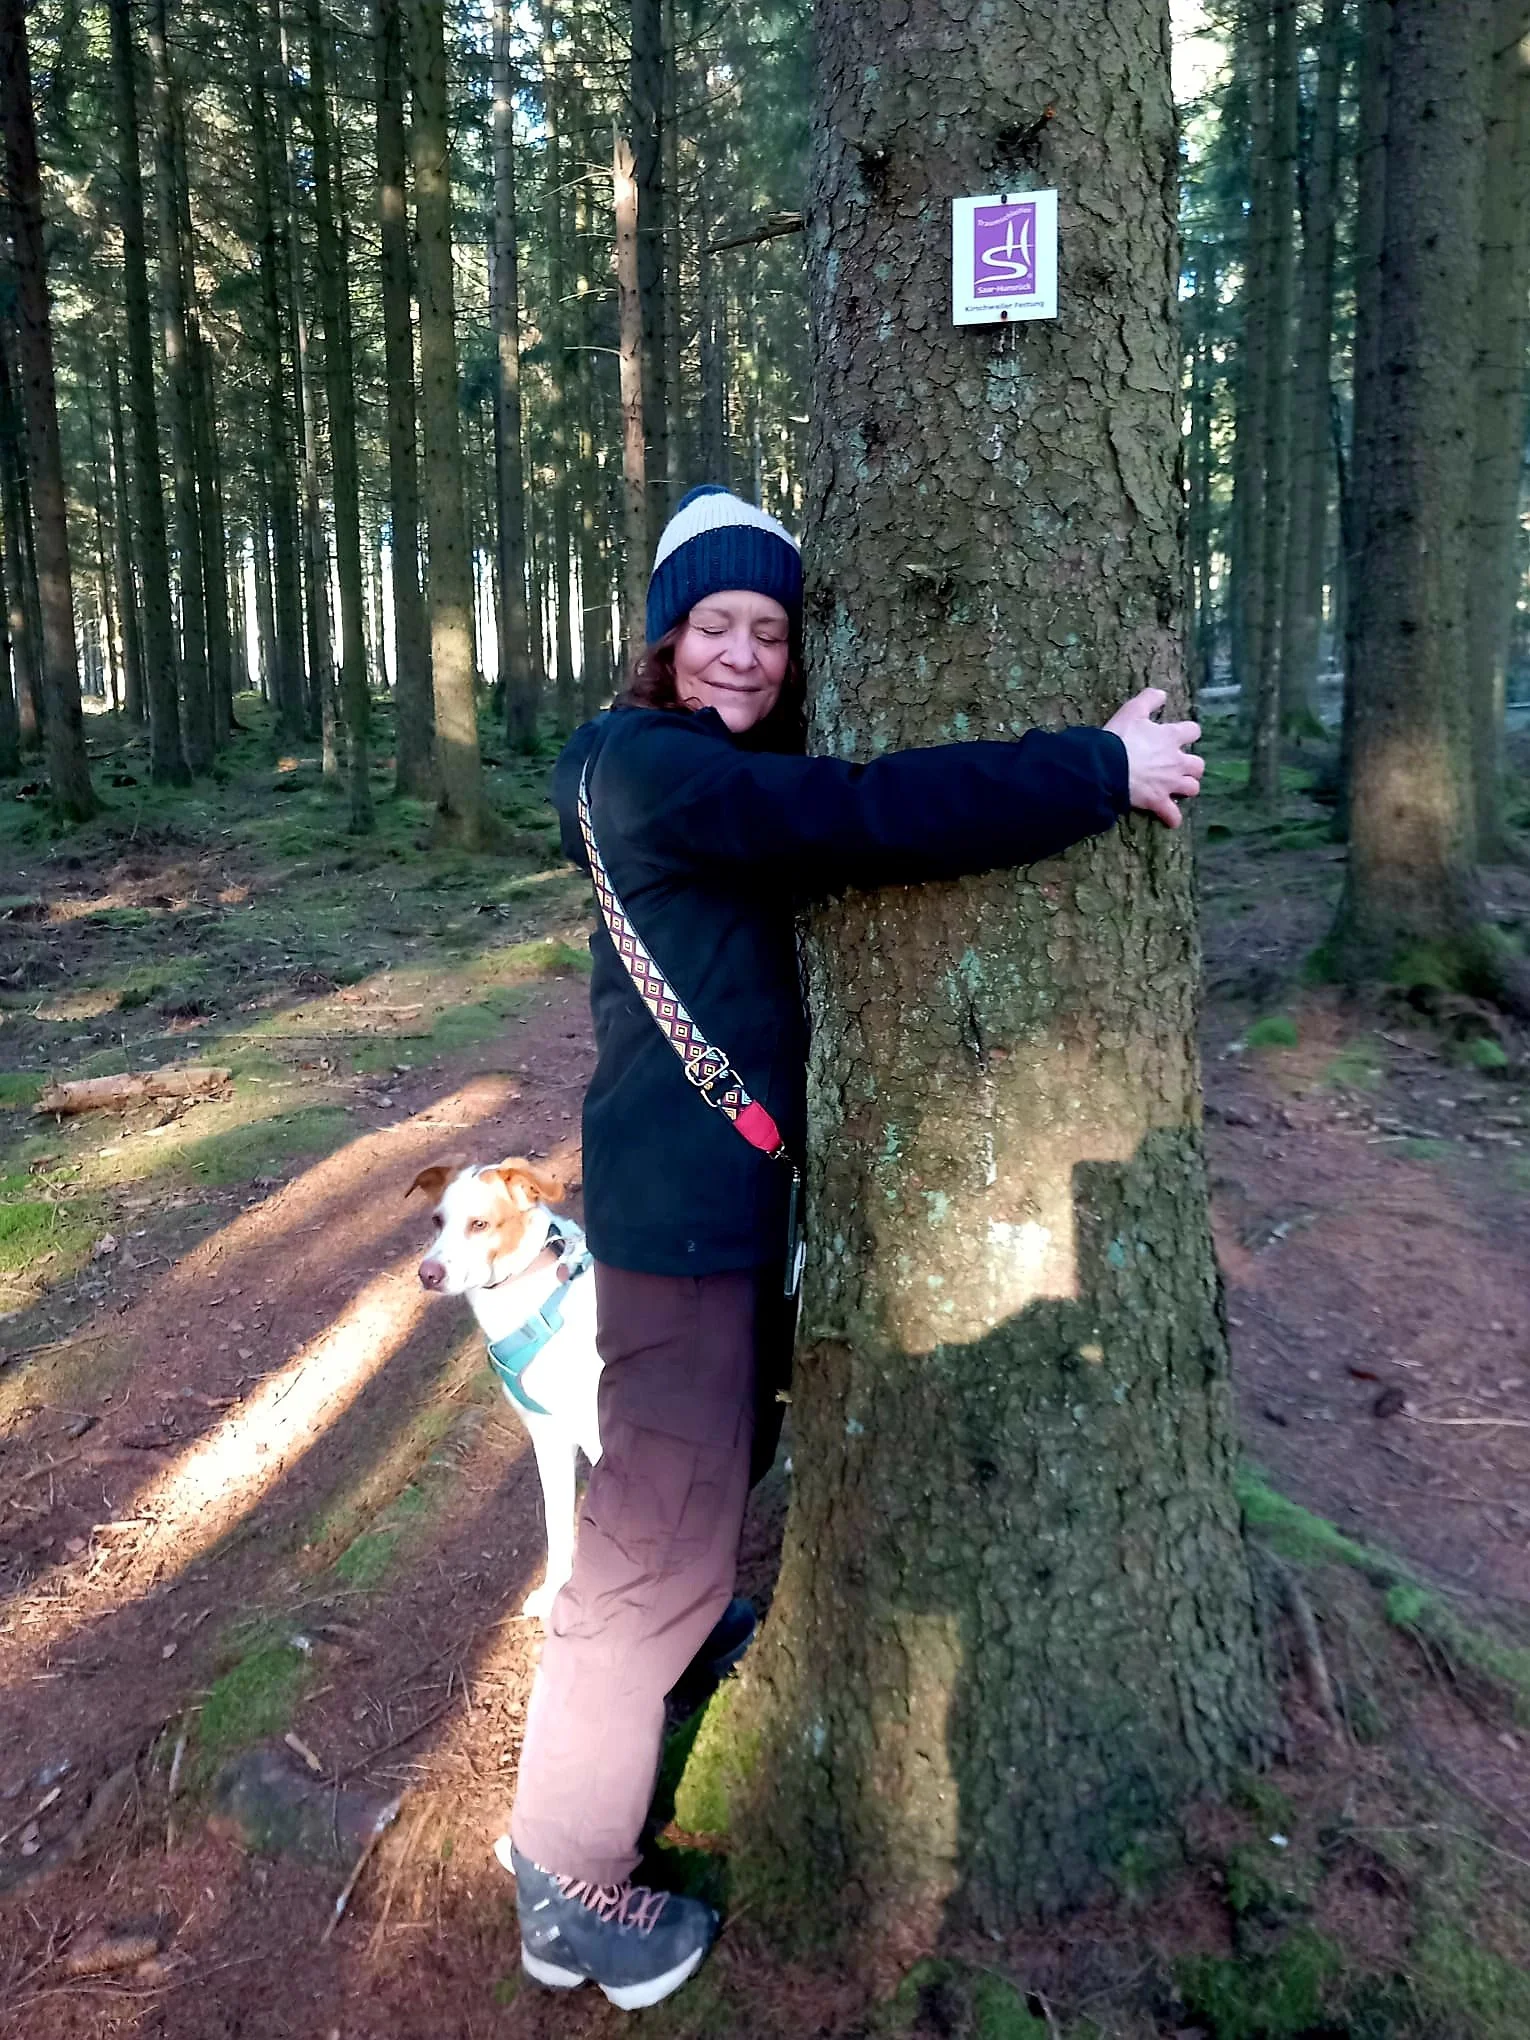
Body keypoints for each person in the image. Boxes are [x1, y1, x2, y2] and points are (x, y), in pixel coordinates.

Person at [500, 486, 1204, 2010]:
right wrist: (1099, 765)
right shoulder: (656, 769)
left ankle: (672, 1647)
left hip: (693, 1205)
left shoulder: (670, 769)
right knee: (645, 1552)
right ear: (662, 643)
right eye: (715, 630)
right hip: (683, 1224)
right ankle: (563, 1889)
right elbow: (867, 814)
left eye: (769, 630)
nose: (746, 658)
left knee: (693, 1498)